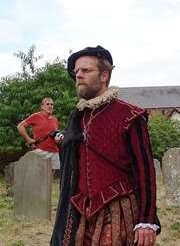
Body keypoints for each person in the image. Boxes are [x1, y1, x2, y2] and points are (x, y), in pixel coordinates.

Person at [51, 46, 159, 246]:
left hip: (117, 210)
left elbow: (146, 171)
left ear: (104, 75)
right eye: (76, 72)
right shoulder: (77, 118)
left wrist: (147, 219)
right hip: (81, 212)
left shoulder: (129, 116)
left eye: (86, 70)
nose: (79, 75)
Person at [17, 97, 62, 170]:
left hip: (54, 152)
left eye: (52, 104)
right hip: (40, 151)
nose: (50, 106)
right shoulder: (36, 116)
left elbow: (55, 136)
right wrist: (28, 139)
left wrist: (58, 140)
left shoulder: (55, 120)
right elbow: (20, 126)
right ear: (42, 106)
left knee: (52, 178)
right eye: (47, 104)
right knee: (37, 176)